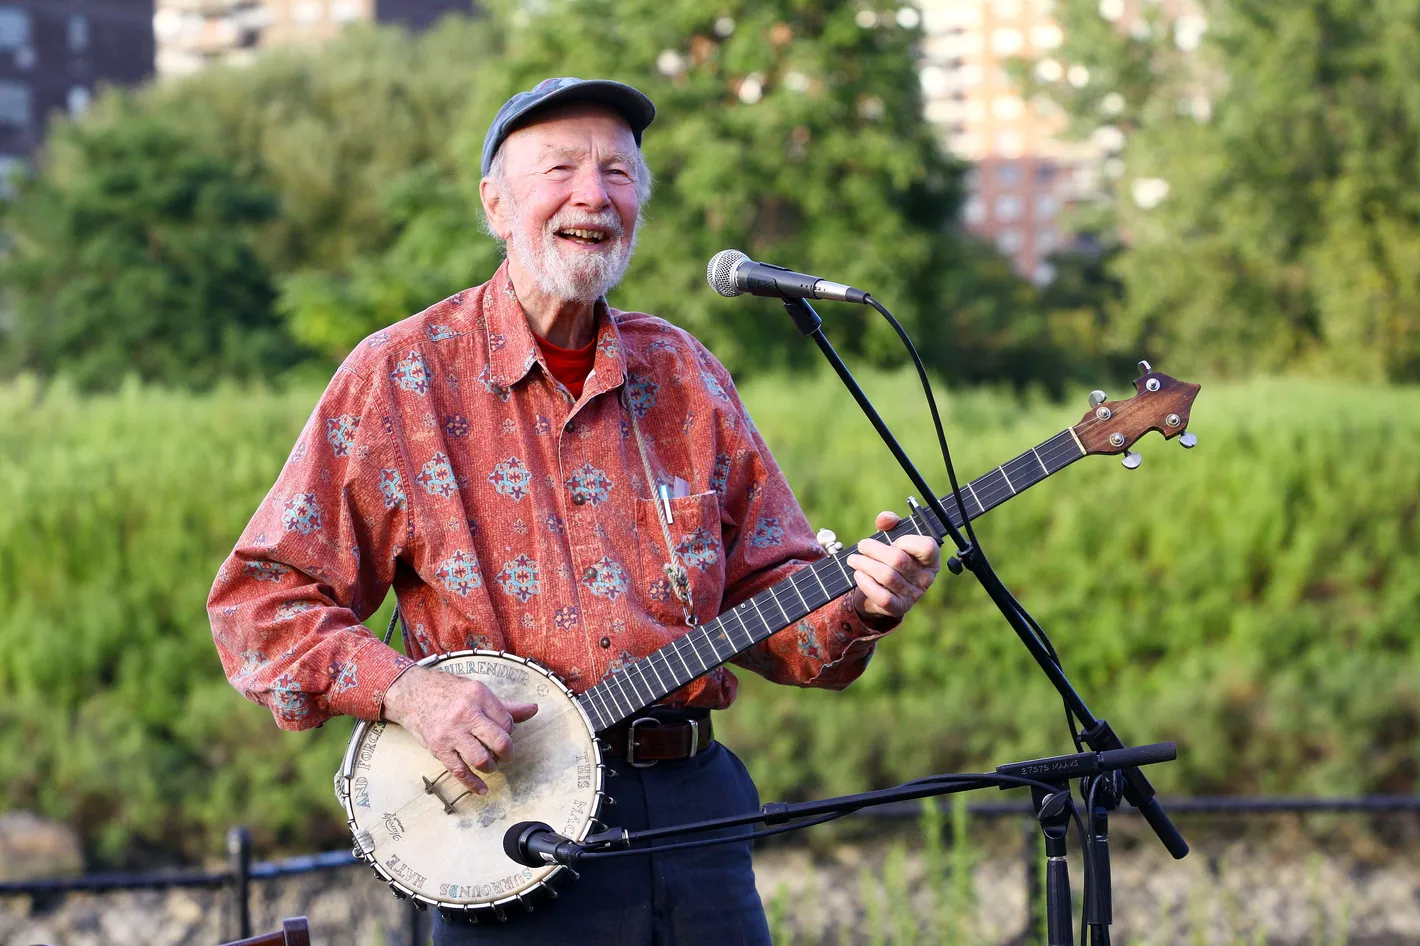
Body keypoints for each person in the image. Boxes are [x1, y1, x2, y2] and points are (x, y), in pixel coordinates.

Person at [208, 77, 941, 945]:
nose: (593, 194)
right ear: (495, 204)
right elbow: (260, 605)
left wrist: (862, 600)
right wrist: (409, 692)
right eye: (560, 168)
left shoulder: (685, 373)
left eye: (620, 174)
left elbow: (773, 601)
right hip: (506, 828)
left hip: (693, 824)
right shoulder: (400, 378)